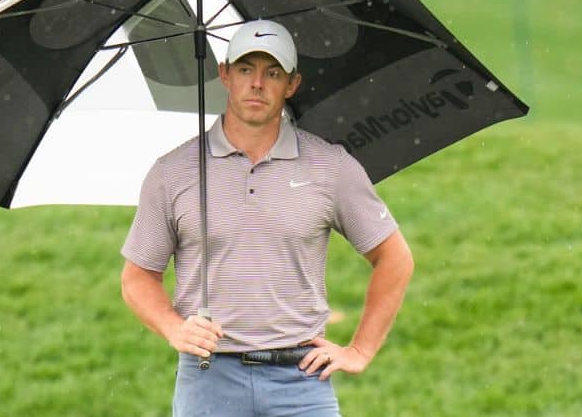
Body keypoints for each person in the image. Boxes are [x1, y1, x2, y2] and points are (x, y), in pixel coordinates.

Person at [120, 20, 414, 417]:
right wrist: (174, 328)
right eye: (245, 69)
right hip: (208, 377)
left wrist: (359, 351)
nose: (257, 84)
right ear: (224, 75)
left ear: (292, 84)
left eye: (272, 72)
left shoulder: (330, 166)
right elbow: (137, 277)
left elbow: (395, 258)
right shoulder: (173, 172)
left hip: (302, 381)